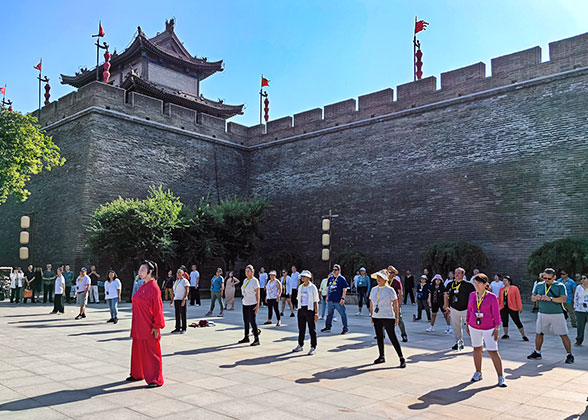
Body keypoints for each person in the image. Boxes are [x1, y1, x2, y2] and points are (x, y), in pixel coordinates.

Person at [127, 260, 165, 388]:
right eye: (140, 269)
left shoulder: (154, 288)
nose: (140, 272)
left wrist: (156, 326)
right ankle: (137, 374)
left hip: (149, 326)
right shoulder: (143, 285)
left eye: (143, 270)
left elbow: (158, 308)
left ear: (150, 272)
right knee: (137, 351)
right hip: (138, 324)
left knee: (151, 352)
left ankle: (155, 378)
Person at [466, 273, 507, 387]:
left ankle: (500, 376)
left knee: (493, 351)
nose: (476, 285)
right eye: (475, 283)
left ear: (485, 284)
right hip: (474, 326)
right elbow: (469, 310)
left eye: (478, 283)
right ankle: (478, 372)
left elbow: (496, 314)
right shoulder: (472, 295)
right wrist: (467, 323)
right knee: (477, 349)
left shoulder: (491, 297)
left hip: (489, 327)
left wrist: (497, 327)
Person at [527, 268, 574, 364]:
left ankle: (569, 354)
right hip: (542, 313)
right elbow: (532, 297)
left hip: (557, 314)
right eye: (544, 278)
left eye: (549, 278)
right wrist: (536, 297)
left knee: (563, 334)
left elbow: (563, 299)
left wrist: (550, 299)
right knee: (539, 333)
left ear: (554, 277)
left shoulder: (560, 286)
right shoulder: (539, 285)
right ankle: (537, 352)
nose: (546, 280)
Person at [369, 269, 406, 367]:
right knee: (379, 336)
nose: (378, 279)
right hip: (377, 316)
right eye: (377, 277)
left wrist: (397, 317)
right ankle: (381, 356)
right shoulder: (373, 289)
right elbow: (371, 303)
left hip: (388, 316)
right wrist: (372, 316)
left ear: (385, 279)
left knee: (392, 336)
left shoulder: (390, 290)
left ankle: (401, 358)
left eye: (380, 277)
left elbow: (395, 303)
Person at [444, 267, 476, 350]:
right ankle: (459, 343)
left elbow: (474, 298)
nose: (456, 274)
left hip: (466, 310)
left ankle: (477, 344)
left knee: (471, 327)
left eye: (458, 273)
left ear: (463, 274)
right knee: (456, 327)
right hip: (454, 308)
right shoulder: (450, 284)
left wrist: (473, 309)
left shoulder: (468, 285)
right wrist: (446, 305)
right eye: (455, 273)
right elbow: (446, 295)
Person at [292, 270, 319, 355]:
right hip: (301, 309)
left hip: (310, 309)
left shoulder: (312, 287)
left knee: (312, 329)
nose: (302, 278)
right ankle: (300, 344)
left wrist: (316, 313)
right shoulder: (300, 287)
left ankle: (313, 347)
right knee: (301, 328)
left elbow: (316, 301)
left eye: (304, 276)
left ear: (308, 278)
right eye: (302, 276)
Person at [321, 264, 349, 334]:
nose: (334, 271)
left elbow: (344, 289)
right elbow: (328, 288)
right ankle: (328, 327)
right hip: (331, 299)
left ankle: (345, 328)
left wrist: (342, 298)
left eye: (335, 270)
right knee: (329, 314)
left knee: (343, 314)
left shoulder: (342, 279)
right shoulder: (331, 278)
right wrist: (327, 297)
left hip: (338, 300)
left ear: (339, 271)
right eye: (333, 270)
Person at [498, 276, 528, 340]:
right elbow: (500, 299)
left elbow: (518, 298)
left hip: (512, 307)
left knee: (517, 321)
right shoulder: (501, 289)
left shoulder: (514, 288)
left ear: (509, 281)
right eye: (503, 281)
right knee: (504, 321)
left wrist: (520, 307)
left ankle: (523, 335)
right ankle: (506, 334)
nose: (504, 282)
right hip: (503, 307)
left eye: (505, 280)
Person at [238, 265, 260, 346]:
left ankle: (256, 339)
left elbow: (258, 293)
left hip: (252, 303)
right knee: (245, 320)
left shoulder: (255, 281)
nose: (246, 273)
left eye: (248, 271)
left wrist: (258, 304)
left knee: (252, 321)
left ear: (252, 272)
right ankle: (246, 337)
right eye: (246, 271)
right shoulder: (245, 280)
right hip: (245, 303)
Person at [387, 266, 408, 342]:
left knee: (399, 319)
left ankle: (404, 335)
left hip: (395, 302)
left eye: (392, 273)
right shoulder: (385, 281)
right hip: (386, 303)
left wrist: (398, 304)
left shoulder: (397, 282)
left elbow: (400, 293)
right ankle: (381, 334)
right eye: (389, 272)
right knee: (383, 318)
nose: (391, 274)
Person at [171, 267, 189, 333]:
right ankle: (177, 328)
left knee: (183, 314)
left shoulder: (185, 281)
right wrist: (172, 301)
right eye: (177, 273)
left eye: (180, 273)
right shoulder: (177, 281)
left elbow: (187, 290)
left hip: (182, 299)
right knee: (177, 314)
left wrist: (184, 299)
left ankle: (184, 328)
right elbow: (174, 291)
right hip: (176, 299)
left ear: (183, 274)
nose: (178, 274)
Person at [574, 274, 588, 346]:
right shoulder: (579, 287)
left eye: (584, 278)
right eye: (581, 279)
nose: (582, 280)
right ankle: (579, 340)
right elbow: (576, 298)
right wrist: (575, 307)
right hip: (580, 310)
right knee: (580, 326)